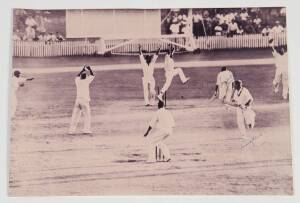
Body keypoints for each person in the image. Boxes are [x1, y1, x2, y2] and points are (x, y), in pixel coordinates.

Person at [68, 66, 95, 134]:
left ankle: (71, 130)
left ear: (80, 77)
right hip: (84, 101)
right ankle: (86, 130)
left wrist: (82, 69)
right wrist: (89, 69)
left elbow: (77, 75)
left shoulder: (78, 81)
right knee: (87, 115)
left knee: (75, 116)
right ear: (86, 77)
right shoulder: (86, 81)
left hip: (78, 100)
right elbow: (92, 75)